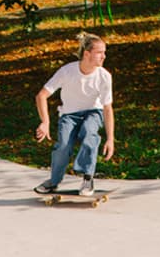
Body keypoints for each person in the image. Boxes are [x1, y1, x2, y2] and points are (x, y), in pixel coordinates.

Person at [33, 32, 114, 198]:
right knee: (63, 145)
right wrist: (45, 122)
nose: (103, 56)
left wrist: (110, 138)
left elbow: (107, 108)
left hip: (93, 112)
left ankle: (87, 177)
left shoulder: (104, 76)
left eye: (104, 52)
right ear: (87, 54)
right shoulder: (67, 71)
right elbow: (41, 95)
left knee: (90, 133)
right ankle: (53, 182)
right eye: (99, 52)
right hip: (69, 115)